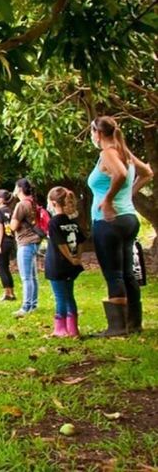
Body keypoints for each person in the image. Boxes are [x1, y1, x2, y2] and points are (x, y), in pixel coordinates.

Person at [87, 116, 153, 336]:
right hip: (127, 219)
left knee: (113, 273)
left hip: (109, 223)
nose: (92, 136)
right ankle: (134, 323)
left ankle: (117, 327)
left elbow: (121, 174)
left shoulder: (107, 153)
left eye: (92, 132)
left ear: (98, 132)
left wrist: (108, 200)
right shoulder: (124, 151)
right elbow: (147, 173)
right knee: (127, 273)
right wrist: (129, 194)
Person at [45, 187, 85, 338]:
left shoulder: (54, 223)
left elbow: (60, 244)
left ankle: (60, 328)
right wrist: (77, 258)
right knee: (69, 296)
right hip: (71, 267)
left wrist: (69, 257)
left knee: (60, 297)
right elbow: (81, 242)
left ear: (54, 203)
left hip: (57, 266)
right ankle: (73, 329)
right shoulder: (72, 223)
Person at [10, 178, 42, 318]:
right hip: (36, 241)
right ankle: (33, 304)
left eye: (16, 188)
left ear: (20, 189)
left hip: (25, 242)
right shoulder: (33, 203)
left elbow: (13, 226)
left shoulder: (21, 205)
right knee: (33, 276)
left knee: (26, 277)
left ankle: (26, 306)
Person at [0, 189, 17, 302]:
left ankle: (7, 292)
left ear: (1, 200)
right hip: (11, 240)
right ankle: (11, 292)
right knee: (6, 267)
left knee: (1, 267)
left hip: (3, 241)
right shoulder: (10, 210)